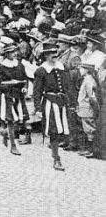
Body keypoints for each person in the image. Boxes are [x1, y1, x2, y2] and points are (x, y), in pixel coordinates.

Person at [33, 43, 71, 171]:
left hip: (62, 102)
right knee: (53, 130)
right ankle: (56, 158)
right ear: (46, 55)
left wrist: (71, 102)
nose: (54, 56)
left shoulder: (61, 67)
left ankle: (55, 151)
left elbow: (67, 86)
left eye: (55, 53)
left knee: (62, 130)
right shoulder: (41, 71)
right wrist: (37, 108)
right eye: (51, 54)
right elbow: (37, 91)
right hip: (49, 102)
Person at [0, 43, 29, 156]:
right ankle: (13, 145)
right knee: (10, 120)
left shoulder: (20, 65)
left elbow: (25, 79)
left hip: (19, 96)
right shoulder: (1, 68)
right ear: (5, 54)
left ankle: (5, 133)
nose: (13, 54)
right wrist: (9, 86)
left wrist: (24, 87)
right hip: (7, 96)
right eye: (10, 52)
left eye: (14, 52)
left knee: (18, 119)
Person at [76, 60, 99, 158]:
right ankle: (88, 149)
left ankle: (92, 150)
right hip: (84, 108)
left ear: (87, 70)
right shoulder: (86, 79)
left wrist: (95, 108)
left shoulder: (89, 80)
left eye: (82, 69)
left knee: (90, 129)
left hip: (87, 108)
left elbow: (92, 96)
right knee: (86, 129)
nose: (80, 70)